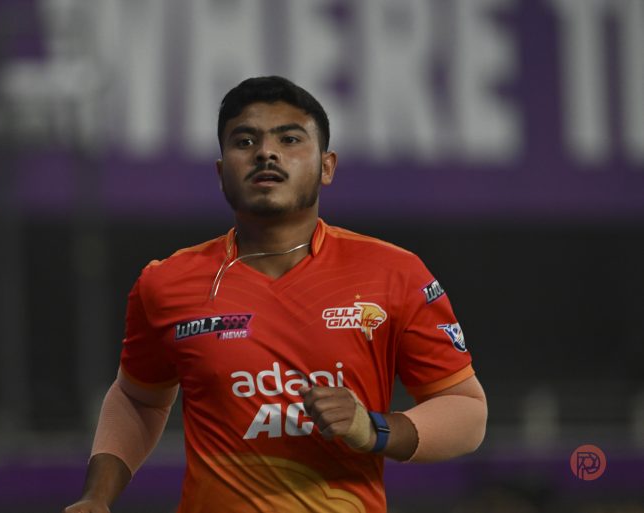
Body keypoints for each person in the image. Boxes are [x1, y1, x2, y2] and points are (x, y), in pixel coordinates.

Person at [64, 76, 487, 513]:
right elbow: (138, 398)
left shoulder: (394, 273)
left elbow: (466, 412)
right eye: (244, 141)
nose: (266, 152)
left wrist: (373, 430)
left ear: (327, 166)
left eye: (290, 139)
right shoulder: (166, 283)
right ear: (220, 171)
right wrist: (97, 496)